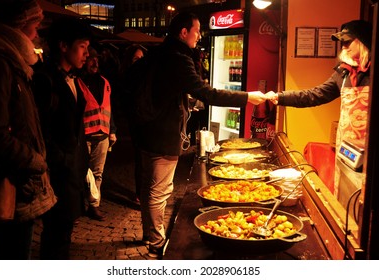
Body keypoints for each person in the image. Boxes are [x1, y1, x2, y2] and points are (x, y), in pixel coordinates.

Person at [133, 12, 268, 259]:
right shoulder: (178, 57)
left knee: (149, 186)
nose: (199, 36)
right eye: (196, 31)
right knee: (159, 189)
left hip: (148, 129)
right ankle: (155, 241)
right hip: (162, 133)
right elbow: (206, 92)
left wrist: (186, 101)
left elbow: (168, 90)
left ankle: (149, 234)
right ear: (183, 32)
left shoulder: (162, 53)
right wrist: (246, 97)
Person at [266, 19, 372, 199]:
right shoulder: (343, 73)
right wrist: (280, 97)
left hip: (369, 155)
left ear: (363, 41)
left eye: (348, 42)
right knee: (345, 199)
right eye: (342, 43)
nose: (343, 47)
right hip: (347, 149)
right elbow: (314, 94)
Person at [0, 0, 57, 259]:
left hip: (20, 180)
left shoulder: (12, 61)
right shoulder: (0, 63)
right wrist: (34, 160)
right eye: (35, 25)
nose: (37, 33)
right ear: (17, 26)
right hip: (13, 182)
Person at [32, 17, 92, 259]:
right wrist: (65, 161)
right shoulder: (45, 80)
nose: (87, 54)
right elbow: (40, 131)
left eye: (88, 47)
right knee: (56, 236)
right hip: (58, 173)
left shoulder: (73, 78)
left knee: (63, 233)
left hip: (71, 171)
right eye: (82, 47)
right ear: (63, 46)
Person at [78, 47, 117, 221]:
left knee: (97, 173)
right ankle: (80, 204)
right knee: (81, 172)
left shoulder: (105, 82)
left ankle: (94, 206)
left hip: (102, 135)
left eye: (97, 59)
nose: (95, 62)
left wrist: (112, 131)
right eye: (91, 59)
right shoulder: (78, 83)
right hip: (84, 136)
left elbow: (109, 108)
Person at [119, 44, 147, 202]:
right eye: (136, 58)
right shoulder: (127, 79)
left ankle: (145, 191)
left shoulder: (146, 77)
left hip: (147, 122)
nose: (140, 62)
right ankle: (139, 193)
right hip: (136, 122)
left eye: (142, 58)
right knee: (141, 157)